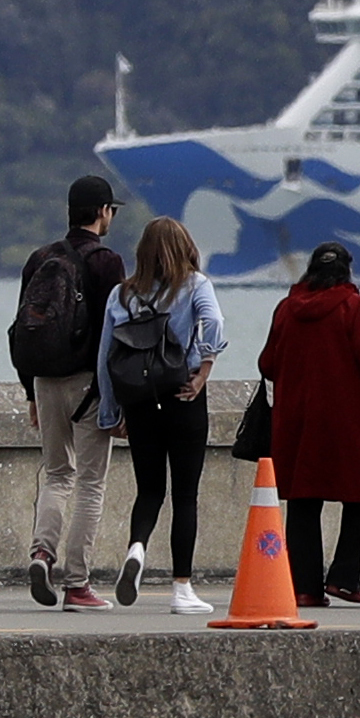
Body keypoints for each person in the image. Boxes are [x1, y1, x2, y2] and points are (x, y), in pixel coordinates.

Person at [258, 239, 360, 607]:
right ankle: (344, 577)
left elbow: (267, 364)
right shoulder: (352, 306)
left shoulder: (286, 308)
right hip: (347, 420)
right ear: (347, 270)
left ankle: (305, 587)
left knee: (302, 502)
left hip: (297, 421)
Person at [93, 216, 227, 615]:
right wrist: (204, 370)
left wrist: (110, 411)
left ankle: (137, 548)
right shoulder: (195, 285)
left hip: (139, 401)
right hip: (182, 396)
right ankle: (182, 589)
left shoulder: (122, 294)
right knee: (185, 496)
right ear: (184, 245)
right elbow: (215, 323)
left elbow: (105, 358)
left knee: (149, 490)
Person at [10, 175, 128, 609]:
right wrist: (115, 399)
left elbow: (20, 328)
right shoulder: (106, 262)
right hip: (88, 383)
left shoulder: (40, 258)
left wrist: (30, 393)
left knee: (57, 474)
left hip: (43, 380)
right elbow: (113, 336)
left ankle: (42, 552)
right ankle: (77, 584)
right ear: (102, 212)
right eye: (111, 209)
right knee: (91, 483)